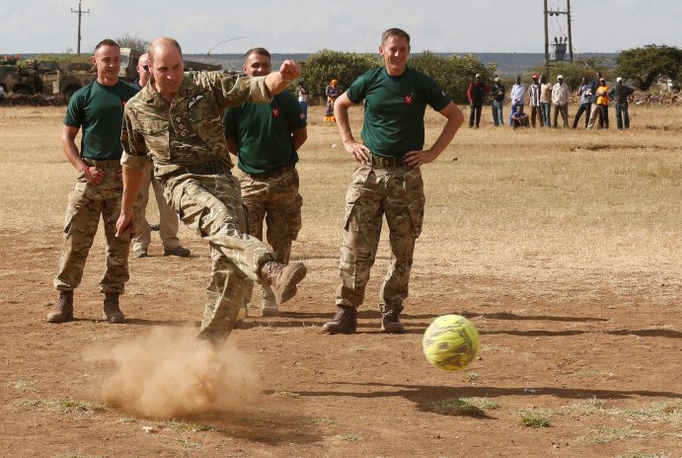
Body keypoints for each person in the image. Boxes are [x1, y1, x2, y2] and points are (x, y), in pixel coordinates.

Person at [117, 37, 307, 346]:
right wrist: (127, 210)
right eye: (164, 69)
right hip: (181, 182)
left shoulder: (207, 84)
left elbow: (255, 87)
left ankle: (206, 352)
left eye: (177, 67)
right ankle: (269, 267)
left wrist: (282, 78)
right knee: (220, 220)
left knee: (229, 267)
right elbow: (134, 162)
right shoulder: (137, 109)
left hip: (222, 179)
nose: (172, 76)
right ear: (150, 67)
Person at [322, 28, 463, 334]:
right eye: (392, 49)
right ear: (381, 51)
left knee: (403, 247)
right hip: (369, 173)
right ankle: (346, 311)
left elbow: (455, 115)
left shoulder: (421, 83)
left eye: (403, 49)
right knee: (357, 244)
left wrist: (432, 153)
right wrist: (348, 141)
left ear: (409, 52)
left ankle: (391, 311)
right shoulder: (370, 80)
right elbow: (340, 104)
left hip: (406, 177)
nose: (397, 54)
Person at [47, 39, 138, 324]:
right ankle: (65, 300)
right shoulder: (83, 96)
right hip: (91, 178)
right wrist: (84, 169)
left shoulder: (133, 95)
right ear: (94, 61)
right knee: (75, 240)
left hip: (123, 179)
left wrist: (134, 168)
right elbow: (67, 139)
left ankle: (112, 302)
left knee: (120, 243)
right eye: (105, 60)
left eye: (115, 60)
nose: (111, 65)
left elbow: (145, 138)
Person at [223, 47, 307, 317]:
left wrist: (280, 159)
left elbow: (300, 134)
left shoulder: (285, 98)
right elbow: (230, 142)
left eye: (265, 65)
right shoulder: (236, 103)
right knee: (249, 240)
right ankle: (246, 294)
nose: (260, 70)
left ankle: (270, 293)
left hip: (283, 179)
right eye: (255, 65)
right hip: (249, 181)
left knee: (280, 240)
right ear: (245, 69)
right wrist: (251, 161)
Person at [131, 52, 191, 259]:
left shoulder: (169, 94)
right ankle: (140, 243)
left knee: (169, 201)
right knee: (137, 201)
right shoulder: (130, 94)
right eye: (145, 68)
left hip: (164, 158)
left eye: (152, 68)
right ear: (139, 68)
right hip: (138, 159)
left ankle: (171, 243)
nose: (149, 72)